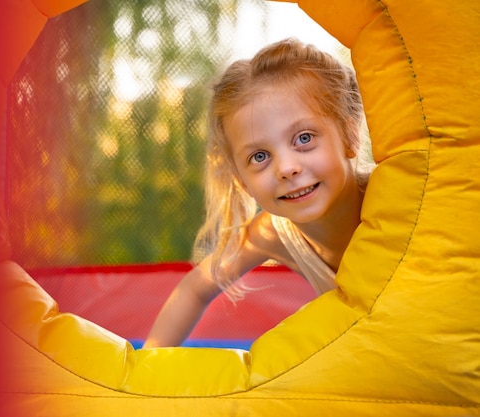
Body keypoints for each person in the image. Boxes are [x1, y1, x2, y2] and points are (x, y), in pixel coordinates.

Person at [143, 38, 373, 348]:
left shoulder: (391, 195)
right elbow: (193, 289)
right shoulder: (274, 235)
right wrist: (148, 368)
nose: (286, 168)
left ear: (349, 135)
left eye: (304, 138)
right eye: (260, 156)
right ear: (242, 180)